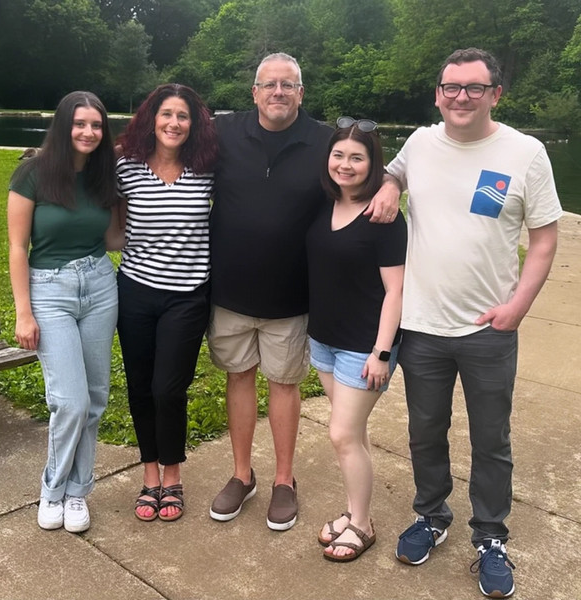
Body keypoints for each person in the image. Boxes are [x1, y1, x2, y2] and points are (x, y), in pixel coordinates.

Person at [382, 48, 562, 598]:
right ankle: (432, 515)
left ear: (495, 95)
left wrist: (518, 306)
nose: (462, 97)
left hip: (489, 329)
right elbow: (389, 174)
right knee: (424, 433)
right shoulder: (418, 143)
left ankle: (490, 536)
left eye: (474, 88)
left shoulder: (524, 152)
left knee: (491, 440)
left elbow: (545, 237)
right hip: (423, 325)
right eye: (451, 87)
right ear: (438, 94)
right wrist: (391, 186)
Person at [208, 52, 399, 531]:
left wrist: (391, 183)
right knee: (239, 379)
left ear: (301, 92)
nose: (278, 92)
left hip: (294, 298)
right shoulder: (224, 132)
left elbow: (364, 165)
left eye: (288, 84)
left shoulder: (323, 142)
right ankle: (241, 474)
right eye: (269, 84)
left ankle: (284, 482)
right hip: (229, 292)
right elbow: (165, 139)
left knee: (284, 385)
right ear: (254, 92)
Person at [8, 91, 119, 533]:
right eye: (80, 124)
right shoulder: (33, 173)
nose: (89, 132)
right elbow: (17, 246)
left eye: (96, 125)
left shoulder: (102, 175)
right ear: (63, 125)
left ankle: (78, 492)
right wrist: (23, 312)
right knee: (69, 402)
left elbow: (113, 239)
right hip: (49, 291)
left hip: (98, 285)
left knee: (94, 400)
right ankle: (52, 489)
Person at [114, 84, 218, 522]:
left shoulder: (207, 168)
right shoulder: (125, 166)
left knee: (167, 388)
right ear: (151, 119)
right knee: (139, 386)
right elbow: (77, 172)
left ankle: (172, 474)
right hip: (135, 290)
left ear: (193, 124)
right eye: (166, 114)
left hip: (188, 296)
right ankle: (150, 474)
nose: (173, 123)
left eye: (183, 116)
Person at [307, 118, 407, 561]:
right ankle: (353, 511)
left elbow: (396, 291)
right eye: (338, 155)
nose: (345, 165)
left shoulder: (384, 216)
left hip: (364, 347)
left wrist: (382, 352)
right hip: (324, 339)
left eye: (357, 158)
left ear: (374, 164)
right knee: (353, 434)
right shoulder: (323, 205)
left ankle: (362, 525)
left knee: (342, 435)